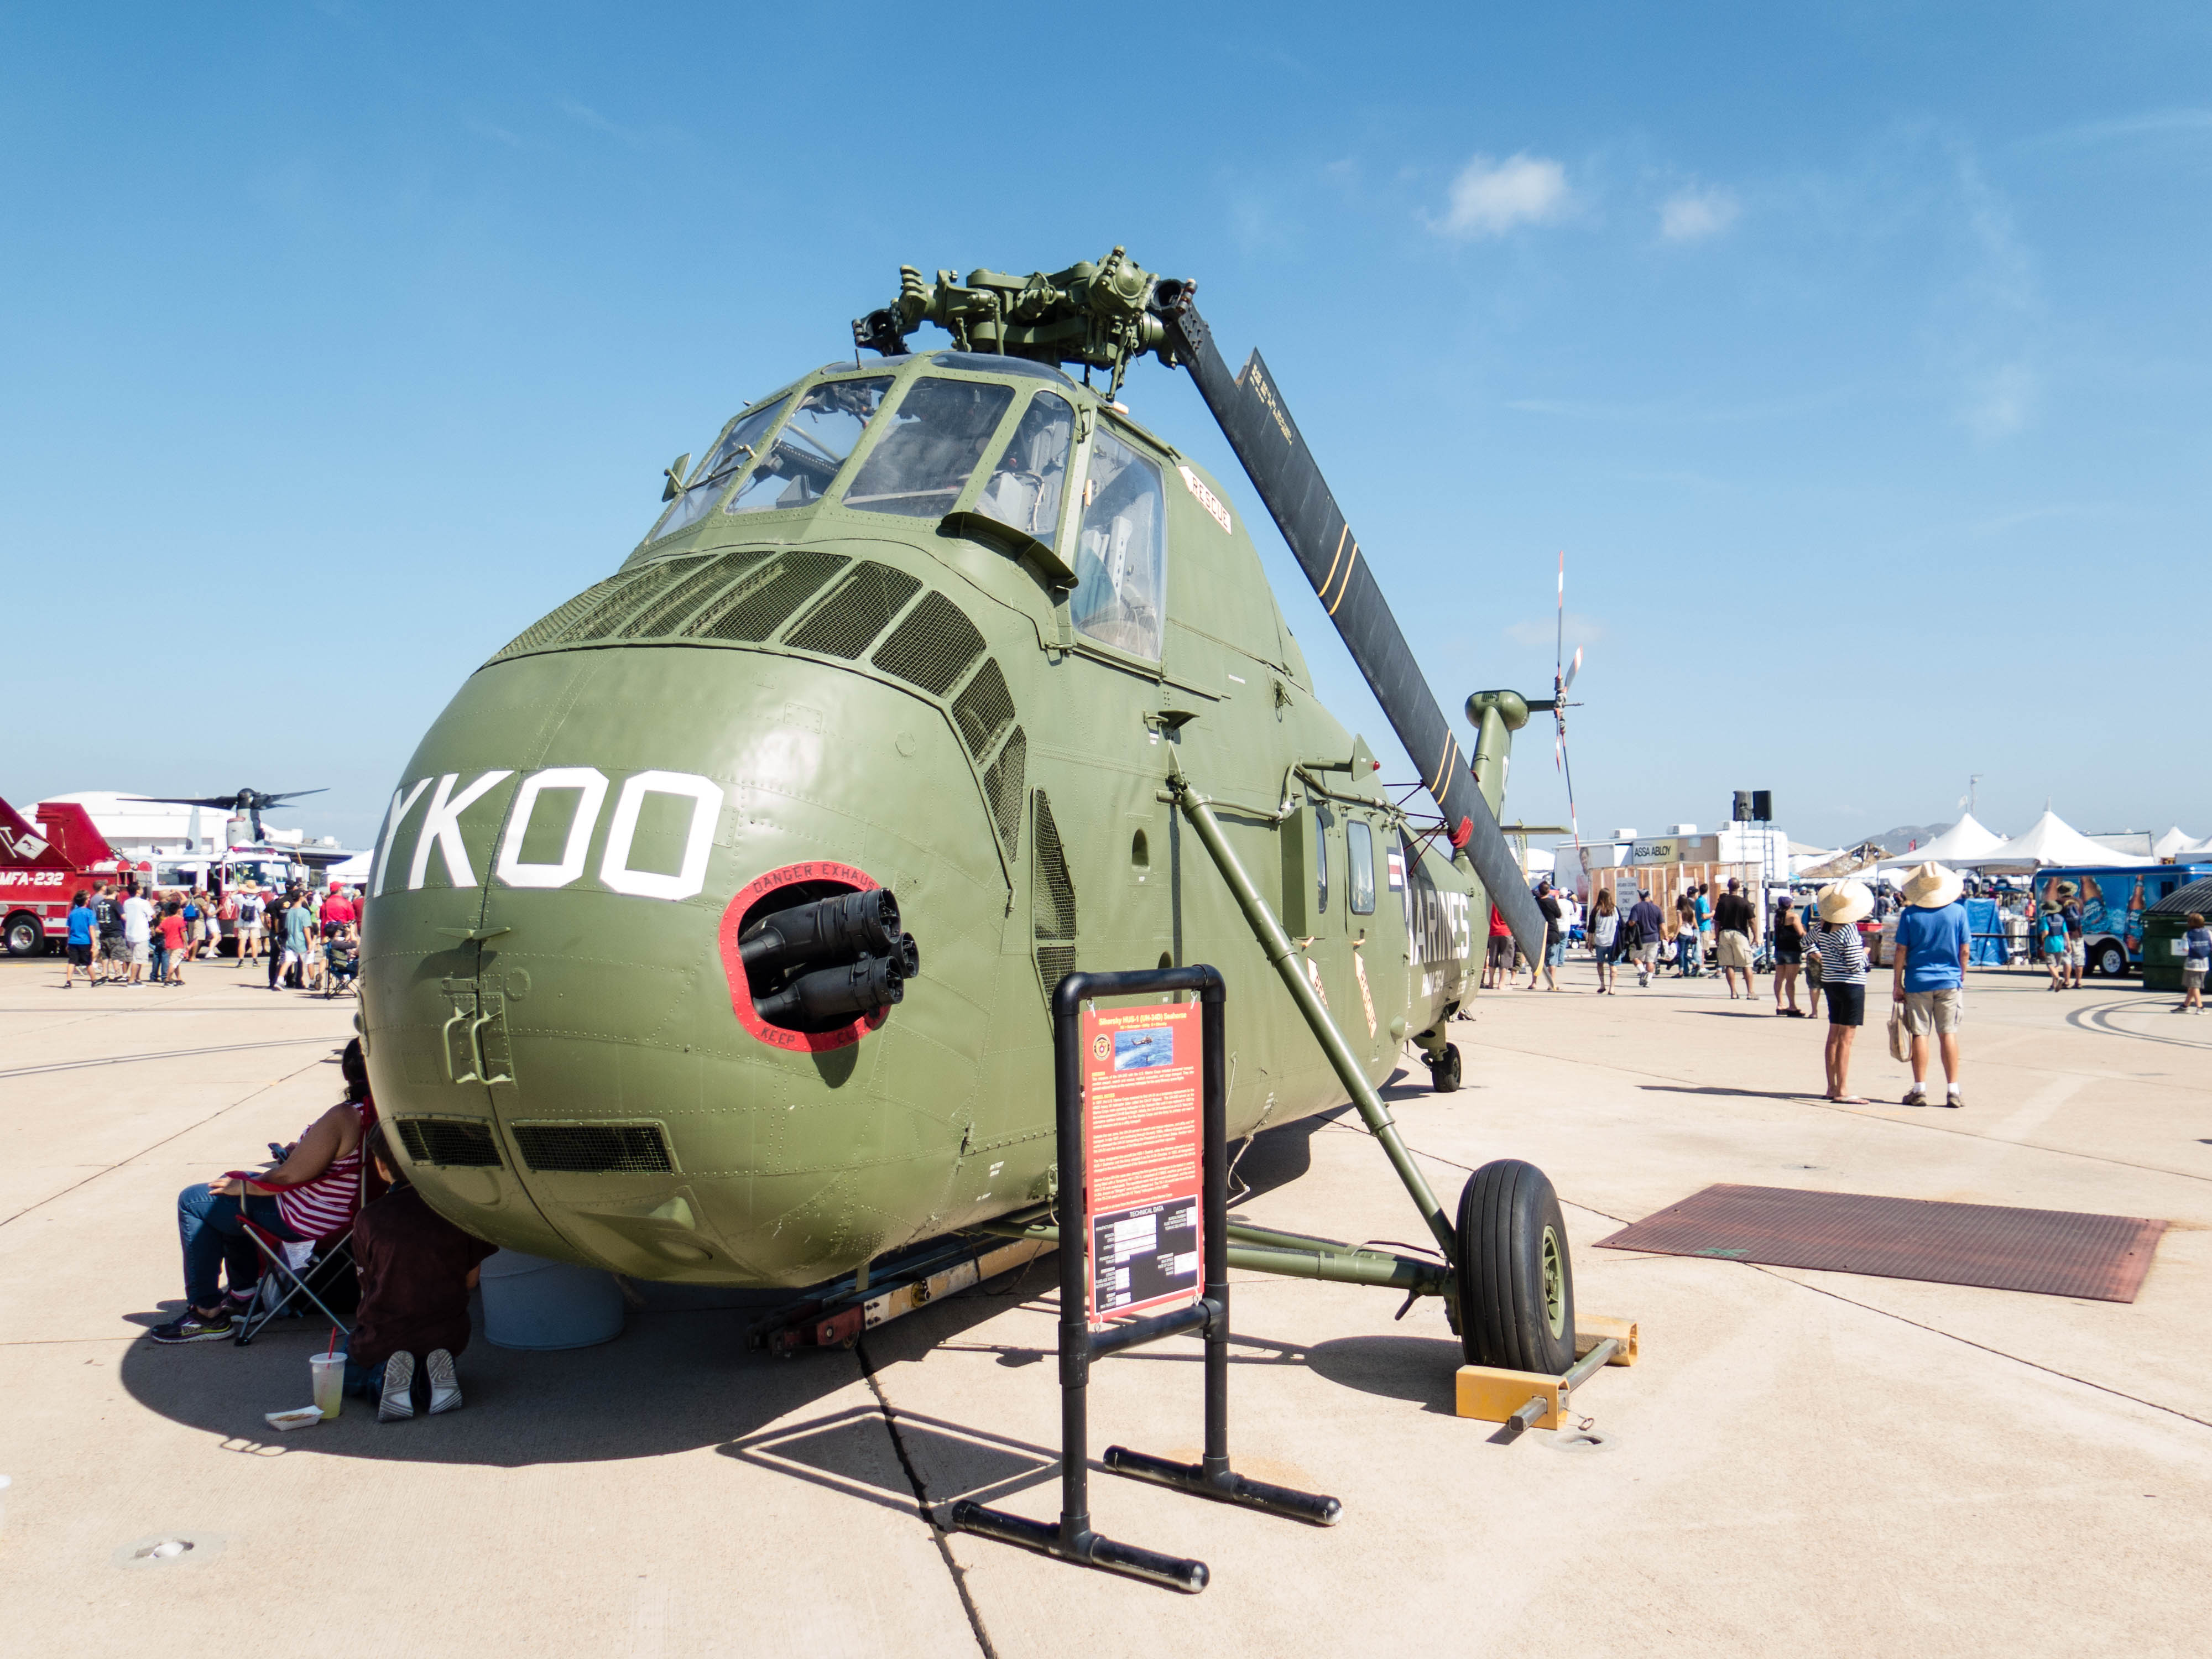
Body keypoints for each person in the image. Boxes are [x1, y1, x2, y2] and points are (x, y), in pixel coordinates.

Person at [150, 1046, 369, 1343]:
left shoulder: (345, 1115)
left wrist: (247, 1187)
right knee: (226, 1193)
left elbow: (287, 1176)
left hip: (309, 1215)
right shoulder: (379, 1111)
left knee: (194, 1200)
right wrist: (298, 1155)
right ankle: (243, 1296)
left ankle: (207, 1313)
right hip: (343, 1211)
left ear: (348, 1071)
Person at [340, 1123, 498, 1420]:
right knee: (427, 1347)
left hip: (386, 1336)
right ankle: (432, 1378)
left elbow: (368, 1284)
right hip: (447, 1334)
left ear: (381, 1165)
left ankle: (383, 1378)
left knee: (346, 1367)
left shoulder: (369, 1218)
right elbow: (471, 1280)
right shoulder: (458, 1211)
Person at [1892, 863, 1970, 1107]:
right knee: (1948, 1033)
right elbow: (1965, 950)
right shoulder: (1958, 912)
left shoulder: (1910, 914)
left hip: (1918, 981)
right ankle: (1953, 1090)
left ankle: (1920, 1089)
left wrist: (1897, 983)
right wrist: (1961, 974)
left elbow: (1901, 950)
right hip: (1949, 980)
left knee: (1920, 1034)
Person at [1812, 882, 1872, 1102]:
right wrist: (1866, 952)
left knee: (1834, 1036)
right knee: (1846, 1039)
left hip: (1831, 982)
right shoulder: (1849, 929)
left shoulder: (1823, 926)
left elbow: (1807, 943)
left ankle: (1832, 1086)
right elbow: (1855, 963)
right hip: (1851, 985)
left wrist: (1821, 957)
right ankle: (1842, 1090)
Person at [1713, 877, 1759, 1000]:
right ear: (1738, 887)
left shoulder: (1722, 903)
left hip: (1725, 933)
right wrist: (1756, 936)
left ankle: (1733, 992)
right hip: (1739, 934)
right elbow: (1752, 921)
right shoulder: (1744, 902)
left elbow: (1717, 922)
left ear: (1728, 887)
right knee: (1747, 964)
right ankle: (1750, 992)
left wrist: (1717, 937)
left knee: (1729, 964)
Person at [1771, 891, 1807, 1016]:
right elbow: (1801, 933)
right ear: (1790, 904)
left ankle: (1780, 1004)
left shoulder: (1778, 917)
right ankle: (1792, 1006)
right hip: (1792, 950)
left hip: (1780, 949)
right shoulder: (1793, 916)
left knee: (1779, 979)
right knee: (1790, 980)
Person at [1626, 890, 1666, 988]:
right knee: (1650, 960)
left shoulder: (1637, 908)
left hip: (1641, 938)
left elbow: (1632, 922)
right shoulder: (1656, 908)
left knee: (1634, 957)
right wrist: (1666, 936)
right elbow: (1662, 925)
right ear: (1649, 896)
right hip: (1654, 938)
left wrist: (1628, 926)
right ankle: (1648, 981)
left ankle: (1643, 972)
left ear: (1640, 897)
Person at [94, 883, 128, 984]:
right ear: (115, 892)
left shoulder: (101, 903)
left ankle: (104, 975)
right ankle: (118, 975)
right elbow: (124, 917)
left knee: (105, 955)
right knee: (116, 954)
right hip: (115, 932)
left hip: (104, 932)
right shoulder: (116, 904)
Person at [62, 889, 97, 988]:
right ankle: (94, 980)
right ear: (85, 901)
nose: (89, 900)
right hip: (85, 941)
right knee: (88, 963)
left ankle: (68, 981)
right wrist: (94, 942)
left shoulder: (72, 913)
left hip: (73, 941)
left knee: (72, 962)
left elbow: (70, 929)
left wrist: (68, 943)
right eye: (88, 898)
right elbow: (91, 928)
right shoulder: (89, 913)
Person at [1589, 889, 1620, 993]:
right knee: (1613, 964)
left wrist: (1590, 942)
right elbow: (1620, 924)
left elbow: (1591, 928)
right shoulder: (1615, 910)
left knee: (1600, 963)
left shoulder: (1596, 910)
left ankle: (1602, 984)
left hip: (1599, 941)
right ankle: (1612, 988)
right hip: (1612, 941)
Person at [1536, 881, 1564, 991]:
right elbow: (1559, 915)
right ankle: (1552, 983)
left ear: (1539, 891)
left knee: (1538, 960)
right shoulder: (1552, 902)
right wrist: (1556, 902)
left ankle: (1534, 983)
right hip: (1552, 932)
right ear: (1549, 891)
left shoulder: (1537, 902)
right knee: (1552, 960)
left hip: (1539, 932)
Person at [2179, 912, 2209, 1014]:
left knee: (2194, 986)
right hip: (2204, 963)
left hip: (2192, 964)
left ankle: (2200, 1007)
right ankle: (2185, 1006)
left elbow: (2185, 949)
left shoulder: (2187, 934)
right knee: (2192, 986)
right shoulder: (2208, 932)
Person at [2060, 881, 2086, 988]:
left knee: (2067, 958)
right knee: (2079, 958)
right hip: (2078, 934)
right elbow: (2082, 916)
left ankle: (2067, 981)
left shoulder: (2059, 902)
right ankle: (2079, 982)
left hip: (2065, 934)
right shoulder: (2079, 901)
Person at [2038, 901, 2069, 991]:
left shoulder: (2045, 919)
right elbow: (2065, 932)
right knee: (2056, 965)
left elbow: (2046, 932)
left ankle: (2058, 978)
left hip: (2050, 943)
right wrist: (2068, 944)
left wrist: (2043, 938)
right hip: (2060, 944)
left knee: (2050, 964)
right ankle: (2054, 984)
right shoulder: (2062, 919)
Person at [158, 899, 189, 986]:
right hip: (178, 944)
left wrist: (166, 931)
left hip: (169, 944)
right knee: (173, 963)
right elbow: (183, 933)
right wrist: (186, 944)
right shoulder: (180, 920)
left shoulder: (166, 920)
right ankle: (168, 980)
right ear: (178, 910)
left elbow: (158, 929)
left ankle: (179, 978)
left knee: (176, 962)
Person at [1484, 902, 1512, 989]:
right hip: (1506, 932)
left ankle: (1491, 983)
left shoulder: (1492, 903)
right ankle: (1501, 984)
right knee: (1506, 958)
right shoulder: (1509, 904)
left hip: (1493, 932)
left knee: (1493, 958)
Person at [236, 884, 264, 966]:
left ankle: (241, 961)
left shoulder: (240, 897)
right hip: (255, 923)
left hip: (243, 923)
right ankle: (255, 961)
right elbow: (262, 912)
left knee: (242, 942)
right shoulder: (259, 899)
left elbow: (231, 896)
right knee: (254, 942)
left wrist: (238, 890)